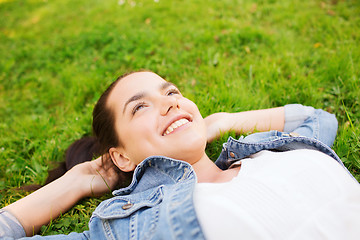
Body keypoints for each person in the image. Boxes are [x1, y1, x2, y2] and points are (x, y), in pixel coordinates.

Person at [1, 71, 359, 239]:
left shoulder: (266, 151)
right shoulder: (136, 226)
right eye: (140, 107)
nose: (170, 102)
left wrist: (221, 122)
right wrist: (77, 181)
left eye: (170, 92)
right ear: (121, 157)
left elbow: (316, 120)